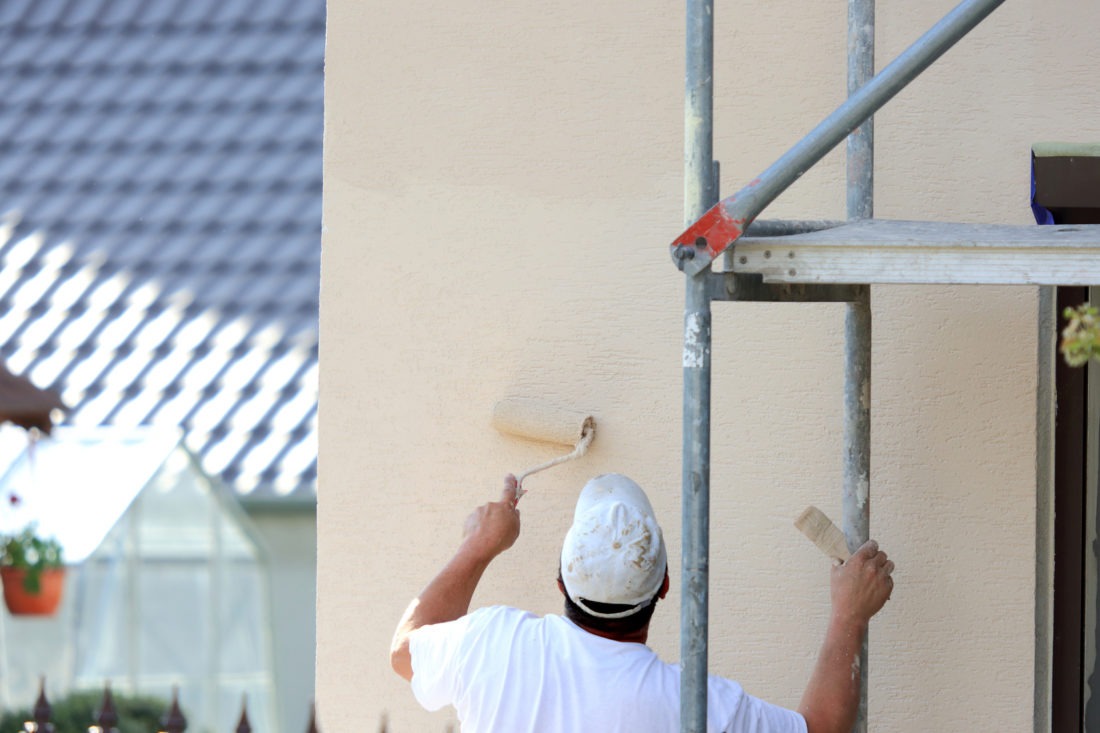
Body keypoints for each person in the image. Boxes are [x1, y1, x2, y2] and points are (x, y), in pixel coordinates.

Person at [390, 473, 894, 733]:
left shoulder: (494, 643)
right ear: (665, 587)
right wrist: (849, 614)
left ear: (562, 583)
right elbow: (820, 730)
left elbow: (405, 651)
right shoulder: (691, 705)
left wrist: (478, 546)